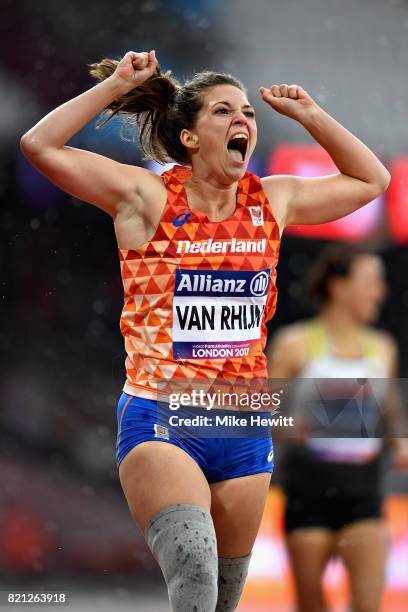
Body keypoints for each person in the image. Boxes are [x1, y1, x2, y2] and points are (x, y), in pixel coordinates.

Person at [20, 49, 390, 611]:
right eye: (223, 112)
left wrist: (312, 116)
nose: (242, 119)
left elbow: (372, 179)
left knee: (220, 600)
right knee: (193, 573)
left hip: (242, 426)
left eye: (248, 112)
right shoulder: (145, 197)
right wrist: (117, 84)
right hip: (162, 412)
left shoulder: (272, 199)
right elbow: (39, 146)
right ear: (190, 138)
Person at [267, 245, 408, 612]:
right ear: (338, 286)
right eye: (371, 282)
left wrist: (401, 444)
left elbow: (392, 416)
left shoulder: (382, 348)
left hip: (364, 491)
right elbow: (256, 415)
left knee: (367, 605)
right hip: (307, 491)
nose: (381, 292)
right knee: (312, 605)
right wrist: (287, 426)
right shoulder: (295, 345)